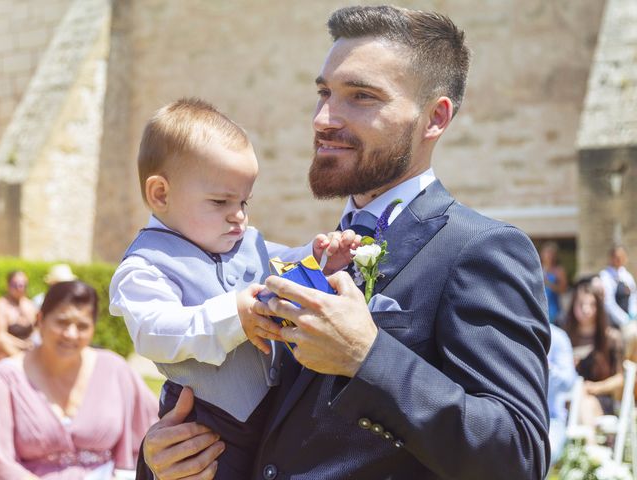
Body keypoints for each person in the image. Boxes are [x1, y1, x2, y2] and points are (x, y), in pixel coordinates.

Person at [139, 6, 551, 479]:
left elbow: (518, 456)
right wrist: (163, 459)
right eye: (324, 92)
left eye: (361, 96)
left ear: (434, 118)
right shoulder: (293, 260)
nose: (323, 118)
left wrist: (368, 357)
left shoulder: (480, 251)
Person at [109, 99, 358, 480]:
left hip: (271, 414)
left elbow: (281, 264)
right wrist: (233, 316)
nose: (238, 215)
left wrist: (321, 256)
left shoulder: (244, 241)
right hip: (208, 422)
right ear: (160, 195)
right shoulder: (145, 265)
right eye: (220, 201)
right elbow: (154, 331)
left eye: (243, 201)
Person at [0, 280, 158, 478]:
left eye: (82, 326)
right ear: (40, 320)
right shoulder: (6, 378)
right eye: (62, 322)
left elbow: (155, 429)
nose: (71, 334)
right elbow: (1, 461)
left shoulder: (115, 370)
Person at [563, 279, 624, 429]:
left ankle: (589, 450)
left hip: (599, 399)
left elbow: (620, 378)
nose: (586, 310)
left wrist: (594, 388)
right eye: (581, 304)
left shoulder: (611, 338)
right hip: (566, 398)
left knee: (585, 402)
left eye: (591, 304)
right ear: (573, 306)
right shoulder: (564, 337)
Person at [547, 324, 577, 466]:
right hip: (512, 413)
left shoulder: (558, 336)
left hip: (551, 419)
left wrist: (546, 368)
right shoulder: (511, 329)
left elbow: (569, 381)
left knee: (546, 452)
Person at [0, 270, 38, 360]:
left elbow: (37, 328)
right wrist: (22, 344)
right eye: (15, 284)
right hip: (10, 347)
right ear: (8, 285)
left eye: (23, 284)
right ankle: (22, 364)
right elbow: (1, 334)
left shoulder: (29, 305)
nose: (20, 288)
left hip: (29, 346)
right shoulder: (1, 305)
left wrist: (31, 342)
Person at [599, 245, 637, 328]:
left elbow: (633, 296)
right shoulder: (605, 276)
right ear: (611, 258)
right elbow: (608, 302)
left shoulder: (627, 276)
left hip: (629, 322)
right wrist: (624, 320)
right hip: (612, 323)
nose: (619, 259)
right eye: (617, 257)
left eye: (622, 256)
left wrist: (632, 314)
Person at [540, 242, 568, 324]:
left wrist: (548, 283)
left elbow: (563, 290)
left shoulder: (559, 270)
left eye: (551, 254)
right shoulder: (538, 269)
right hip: (540, 309)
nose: (549, 256)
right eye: (547, 253)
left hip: (554, 310)